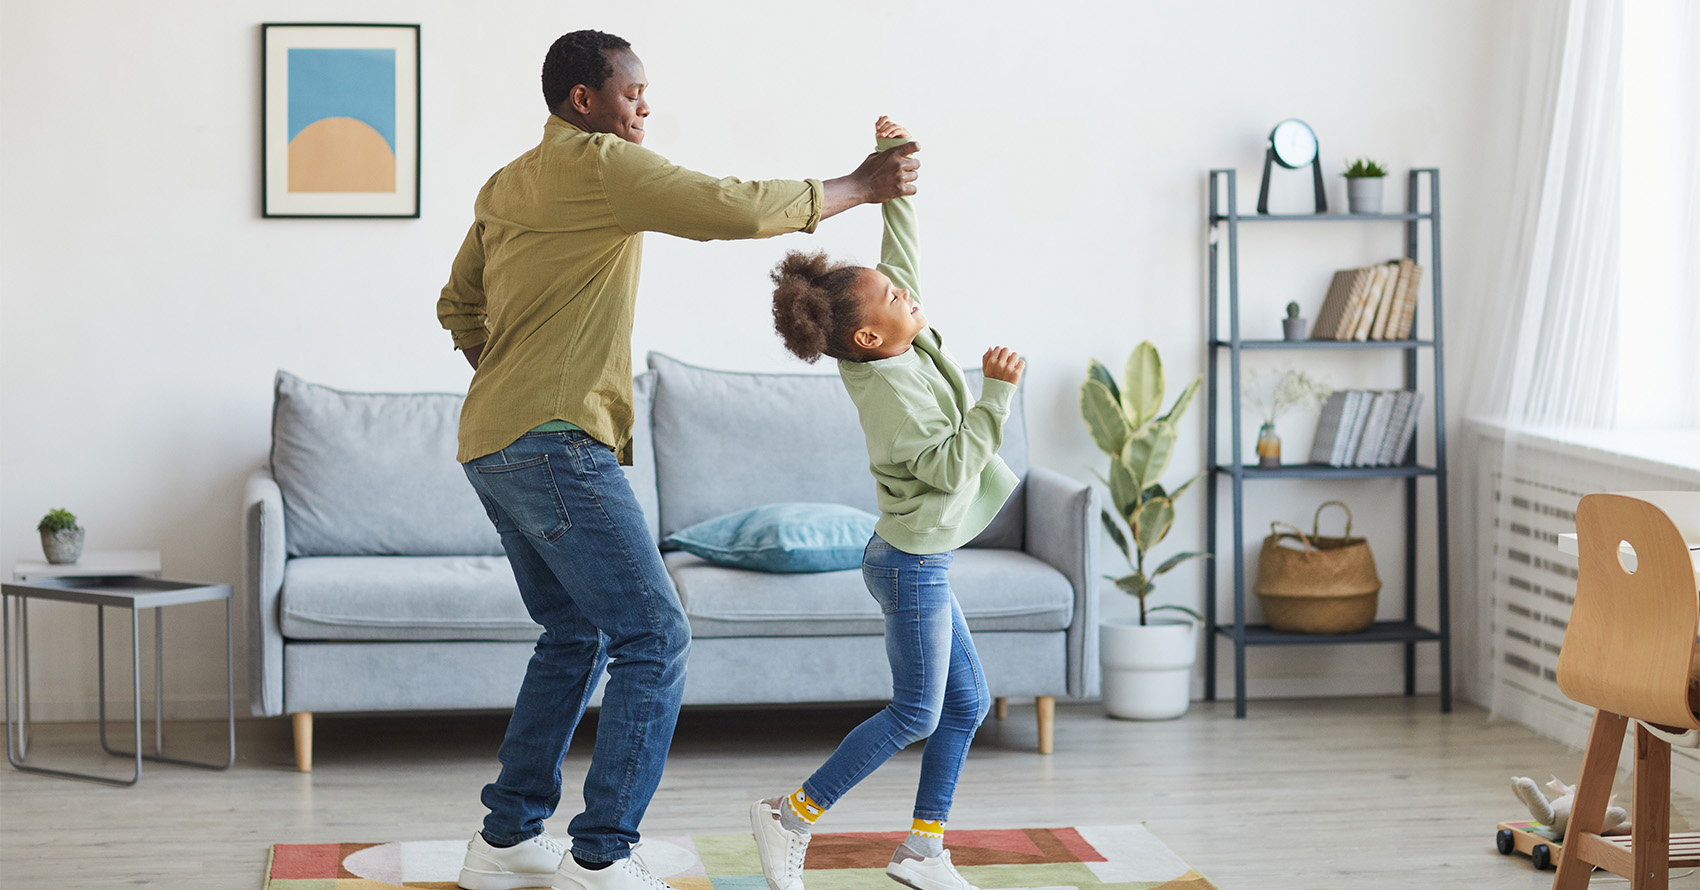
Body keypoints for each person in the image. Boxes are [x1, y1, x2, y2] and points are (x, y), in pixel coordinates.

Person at [437, 30, 920, 890]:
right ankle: (603, 853)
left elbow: (457, 304)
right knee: (654, 634)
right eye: (632, 93)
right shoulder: (596, 165)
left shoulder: (507, 181)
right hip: (553, 441)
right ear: (583, 100)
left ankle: (506, 837)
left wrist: (507, 379)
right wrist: (862, 186)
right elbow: (725, 206)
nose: (644, 107)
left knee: (571, 632)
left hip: (492, 443)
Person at [754, 116, 1023, 890]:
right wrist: (997, 397)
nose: (909, 294)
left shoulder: (893, 335)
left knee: (964, 704)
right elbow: (946, 470)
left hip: (917, 557)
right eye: (896, 298)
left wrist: (892, 171)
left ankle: (921, 850)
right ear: (870, 338)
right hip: (910, 566)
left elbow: (896, 258)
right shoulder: (892, 392)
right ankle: (791, 815)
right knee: (917, 711)